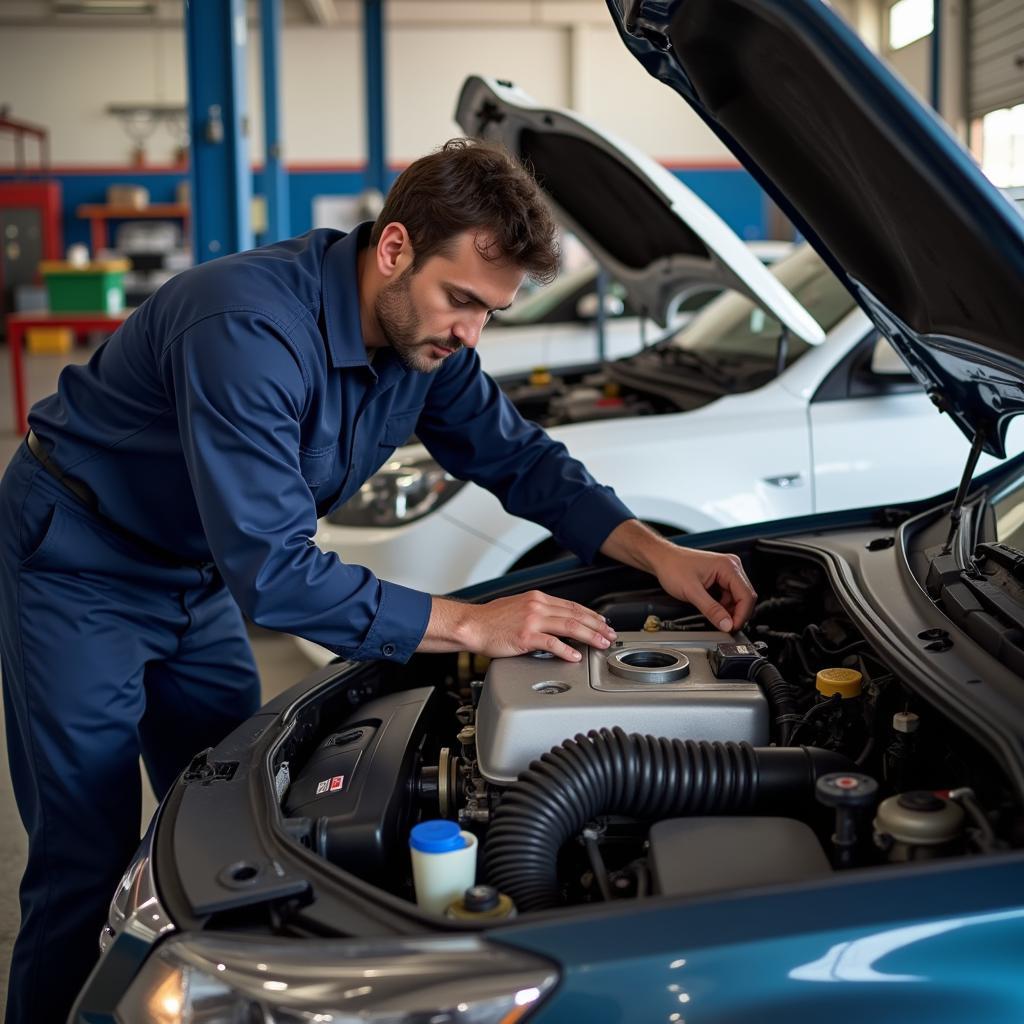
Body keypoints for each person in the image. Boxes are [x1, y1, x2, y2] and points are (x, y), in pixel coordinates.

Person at [0, 138, 755, 1020]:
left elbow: (521, 460)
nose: (470, 333)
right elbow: (277, 576)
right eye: (461, 300)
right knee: (85, 854)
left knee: (233, 815)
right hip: (81, 560)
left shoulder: (427, 345)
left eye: (491, 314)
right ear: (393, 248)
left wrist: (659, 551)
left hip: (199, 569)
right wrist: (472, 623)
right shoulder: (244, 327)